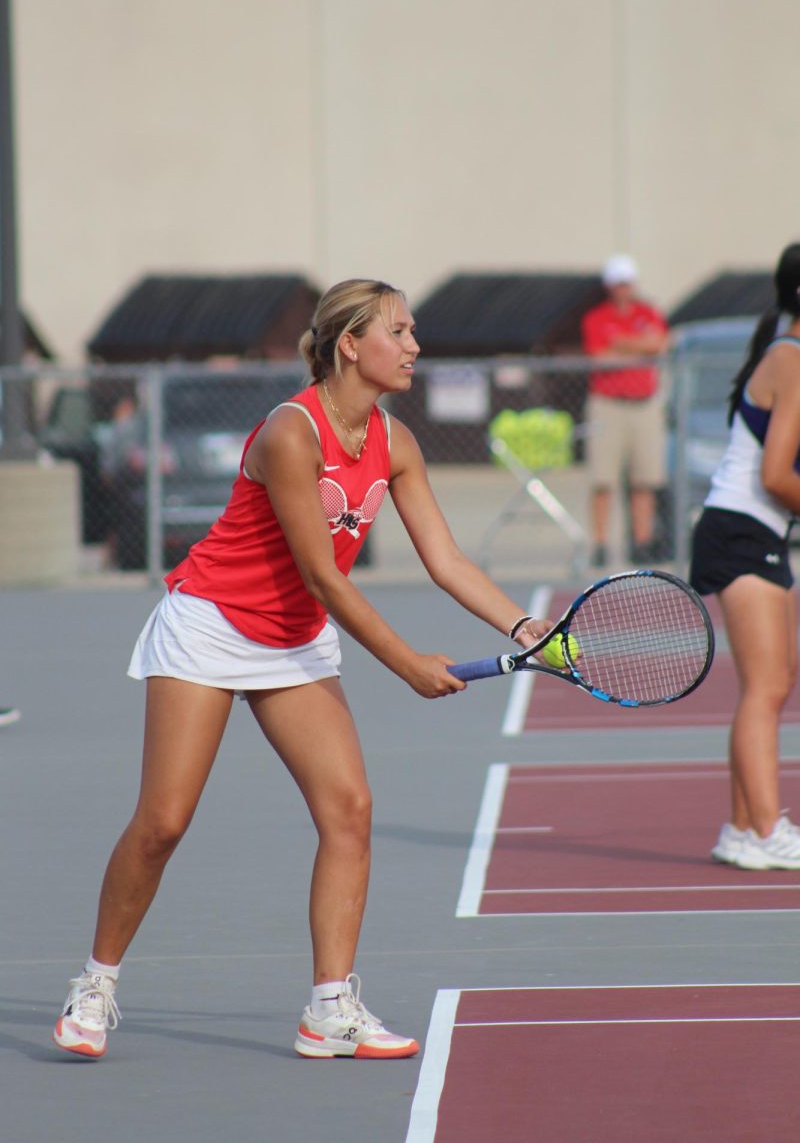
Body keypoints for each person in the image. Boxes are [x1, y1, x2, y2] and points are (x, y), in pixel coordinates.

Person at [52, 279, 551, 1061]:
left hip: (295, 642)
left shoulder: (397, 441)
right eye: (400, 330)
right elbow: (323, 575)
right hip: (211, 625)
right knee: (163, 824)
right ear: (350, 344)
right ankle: (96, 984)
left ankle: (329, 1010)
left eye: (413, 331)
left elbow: (447, 559)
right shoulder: (293, 433)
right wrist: (405, 664)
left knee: (349, 810)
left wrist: (526, 625)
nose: (415, 345)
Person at [690, 242, 800, 870]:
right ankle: (764, 831)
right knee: (766, 687)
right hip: (741, 527)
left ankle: (739, 828)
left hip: (761, 531)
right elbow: (778, 473)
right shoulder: (791, 359)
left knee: (776, 684)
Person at [581, 254, 671, 568]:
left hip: (643, 404)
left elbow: (659, 343)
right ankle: (601, 543)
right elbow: (599, 357)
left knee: (644, 478)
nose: (623, 289)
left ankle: (642, 541)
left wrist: (622, 345)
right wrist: (638, 347)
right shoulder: (596, 317)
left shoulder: (648, 312)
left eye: (627, 283)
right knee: (603, 478)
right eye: (618, 283)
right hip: (608, 404)